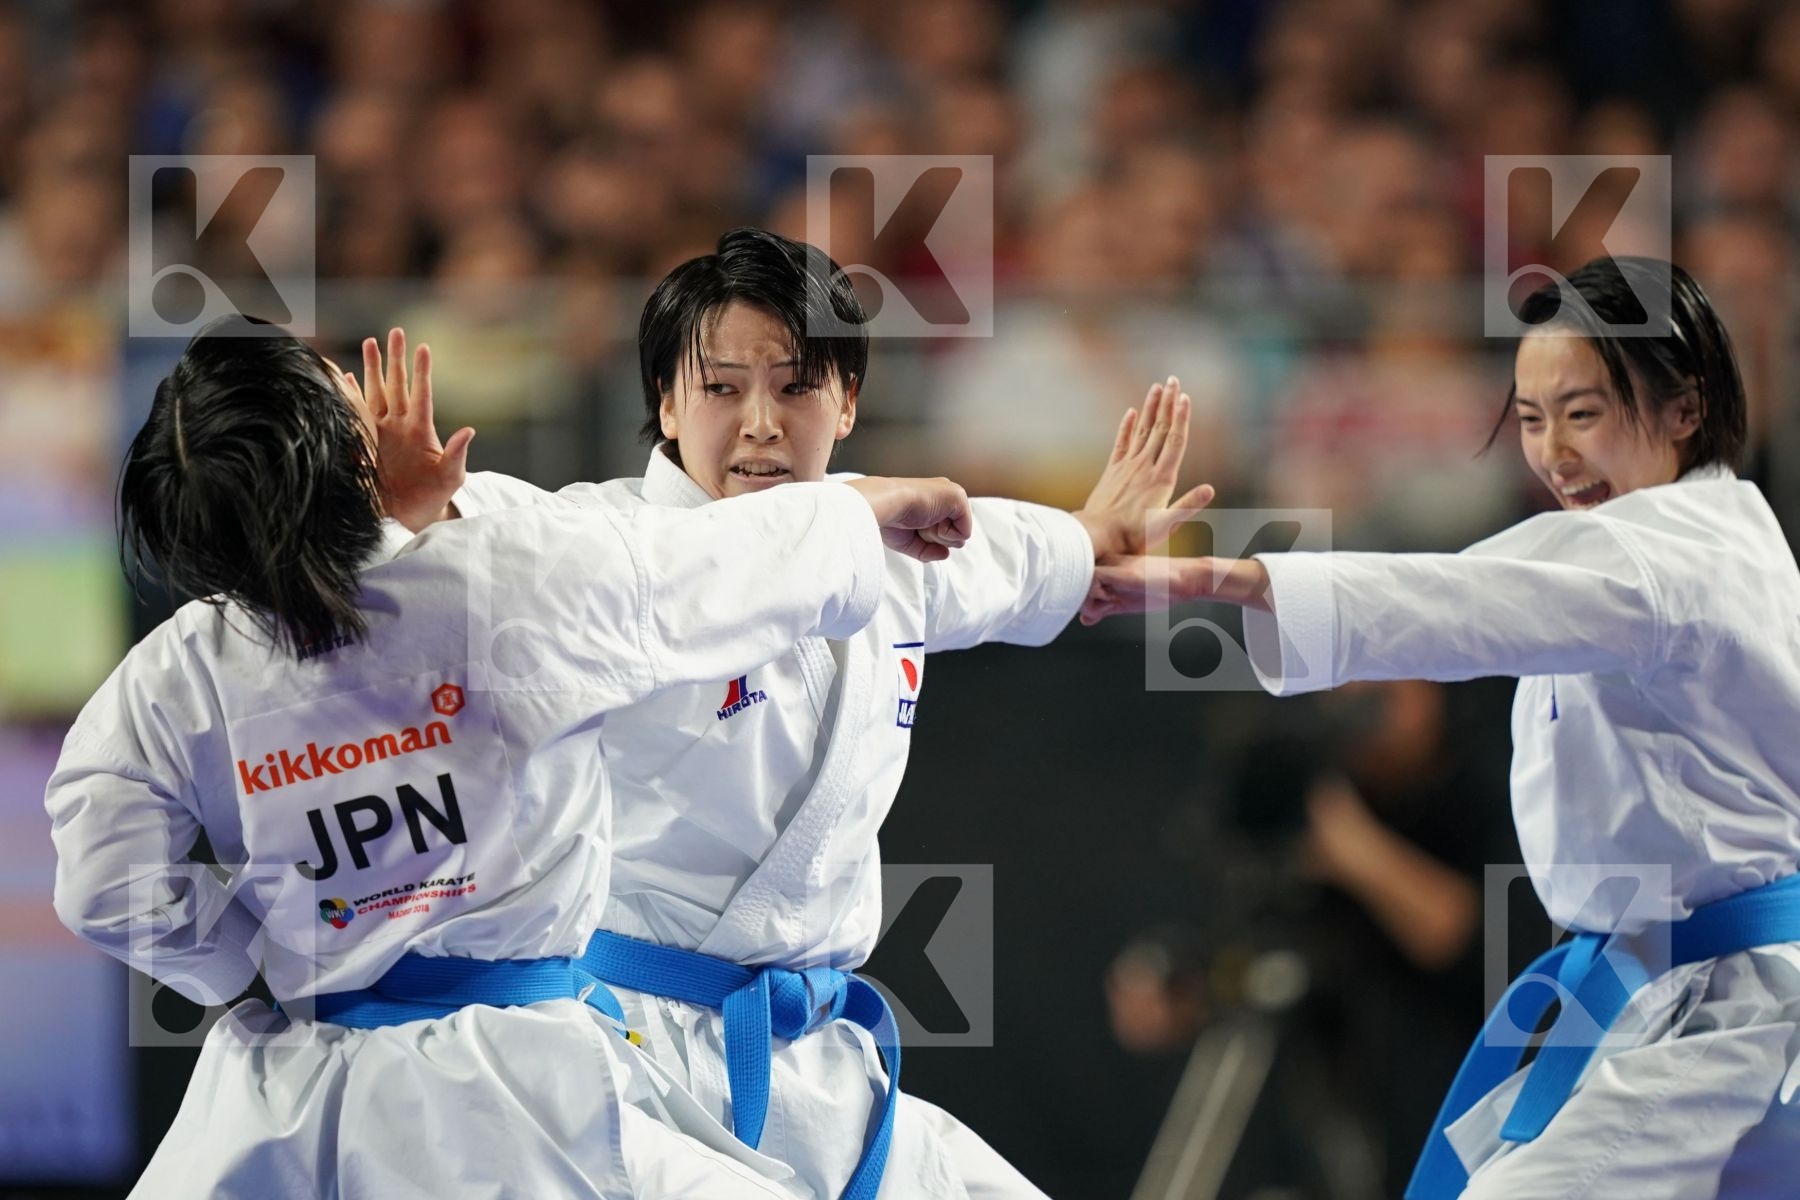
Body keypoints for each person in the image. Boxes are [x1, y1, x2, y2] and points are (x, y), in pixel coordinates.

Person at [45, 316, 980, 1199]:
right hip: (517, 1083)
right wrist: (860, 510)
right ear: (337, 451)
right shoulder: (508, 578)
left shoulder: (172, 677)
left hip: (292, 1095)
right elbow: (704, 568)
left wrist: (248, 953)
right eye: (341, 391)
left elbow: (103, 886)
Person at [395, 226, 1206, 1199]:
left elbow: (1010, 555)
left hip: (814, 1057)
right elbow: (478, 532)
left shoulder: (896, 551)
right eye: (723, 386)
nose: (762, 422)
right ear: (664, 401)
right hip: (626, 1057)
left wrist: (1090, 534)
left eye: (795, 385)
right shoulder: (597, 544)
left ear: (849, 401)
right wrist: (416, 519)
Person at [1083, 256, 1800, 1198]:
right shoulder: (1687, 544)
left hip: (1729, 1015)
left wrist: (1226, 576)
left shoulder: (1667, 556)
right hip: (1672, 1001)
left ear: (1684, 408)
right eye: (1533, 420)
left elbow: (1461, 597)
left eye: (1583, 414)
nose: (1554, 454)